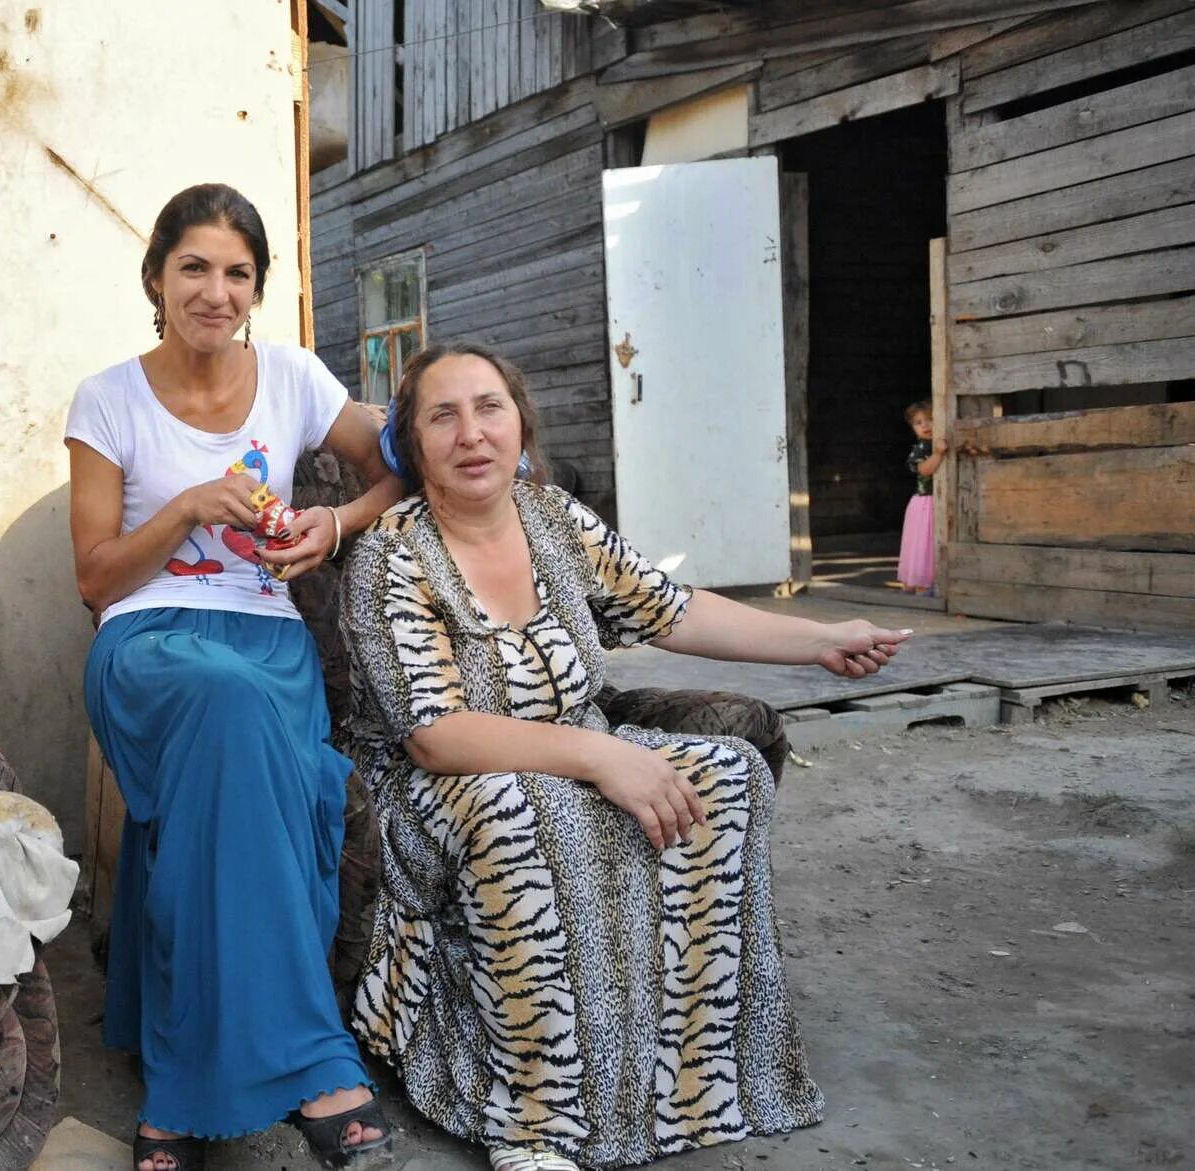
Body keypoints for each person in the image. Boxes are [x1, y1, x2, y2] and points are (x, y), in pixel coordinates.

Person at [338, 342, 910, 1171]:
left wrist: (823, 640)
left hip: (571, 740)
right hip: (444, 783)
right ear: (415, 443)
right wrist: (601, 758)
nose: (472, 433)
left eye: (489, 407)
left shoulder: (556, 520)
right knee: (525, 812)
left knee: (728, 775)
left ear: (520, 424)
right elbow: (435, 732)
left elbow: (673, 610)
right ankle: (538, 1122)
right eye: (443, 415)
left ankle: (701, 1084)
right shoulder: (393, 554)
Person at [67, 183, 405, 1171]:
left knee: (258, 767)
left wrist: (336, 521)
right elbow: (94, 576)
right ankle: (311, 1057)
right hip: (147, 643)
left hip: (268, 642)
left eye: (236, 273)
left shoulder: (294, 377)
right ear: (156, 279)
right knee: (241, 726)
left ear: (255, 288)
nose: (215, 291)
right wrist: (185, 510)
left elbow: (402, 456)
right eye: (194, 269)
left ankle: (180, 1074)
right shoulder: (107, 397)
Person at [898, 399, 946, 596]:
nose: (925, 425)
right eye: (919, 422)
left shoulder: (936, 442)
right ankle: (918, 583)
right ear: (913, 428)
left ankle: (927, 581)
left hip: (934, 502)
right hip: (925, 502)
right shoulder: (921, 449)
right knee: (921, 544)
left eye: (930, 420)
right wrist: (939, 454)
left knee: (929, 542)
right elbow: (924, 470)